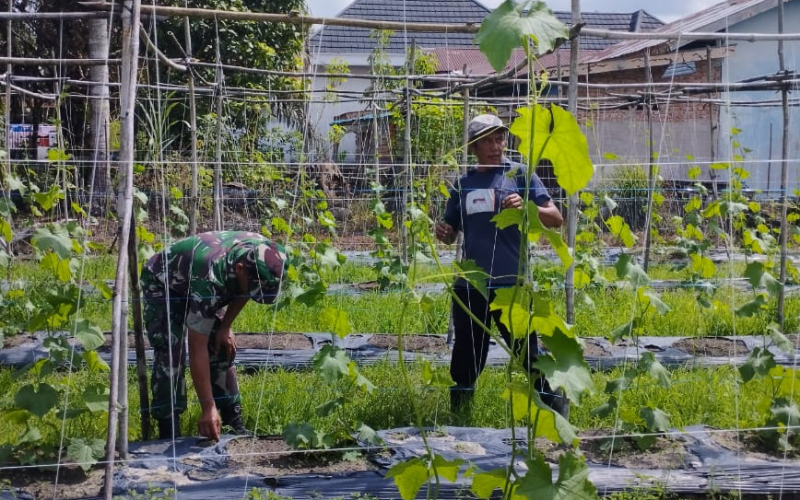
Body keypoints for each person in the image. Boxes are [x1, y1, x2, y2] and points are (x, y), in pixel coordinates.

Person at [434, 113, 567, 418]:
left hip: (511, 283)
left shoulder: (520, 175)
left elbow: (556, 218)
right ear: (474, 147)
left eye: (499, 139)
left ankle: (556, 415)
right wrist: (443, 232)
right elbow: (450, 230)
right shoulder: (464, 183)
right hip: (471, 284)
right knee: (467, 354)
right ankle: (461, 417)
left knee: (529, 353)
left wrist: (527, 205)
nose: (496, 146)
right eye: (487, 141)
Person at [141, 230, 285, 441]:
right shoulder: (212, 275)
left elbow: (244, 290)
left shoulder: (268, 254)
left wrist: (226, 326)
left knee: (221, 344)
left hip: (202, 279)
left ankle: (232, 418)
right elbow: (196, 348)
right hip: (164, 282)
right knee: (172, 352)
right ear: (240, 269)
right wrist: (207, 406)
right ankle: (169, 426)